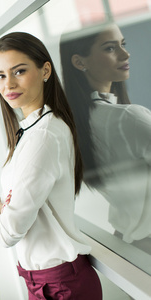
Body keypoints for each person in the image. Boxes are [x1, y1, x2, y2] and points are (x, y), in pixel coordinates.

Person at [0, 32, 102, 299]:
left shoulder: (43, 136)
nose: (8, 84)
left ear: (45, 70)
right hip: (44, 282)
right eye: (0, 75)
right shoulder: (32, 129)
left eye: (19, 71)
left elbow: (8, 232)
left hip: (60, 286)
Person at [60, 24, 151, 249]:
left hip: (129, 243)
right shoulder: (128, 118)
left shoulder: (73, 124)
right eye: (110, 48)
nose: (125, 54)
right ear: (80, 62)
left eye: (123, 44)